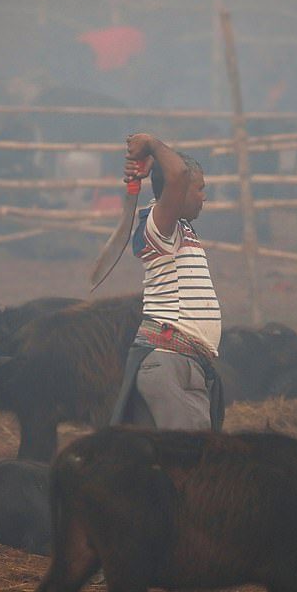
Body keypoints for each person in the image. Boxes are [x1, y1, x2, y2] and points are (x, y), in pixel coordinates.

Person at [109, 133, 224, 431]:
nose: (204, 197)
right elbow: (178, 174)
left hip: (191, 364)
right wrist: (153, 144)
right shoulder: (159, 228)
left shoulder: (183, 230)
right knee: (186, 457)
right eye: (199, 189)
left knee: (196, 457)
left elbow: (176, 175)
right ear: (178, 191)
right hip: (168, 362)